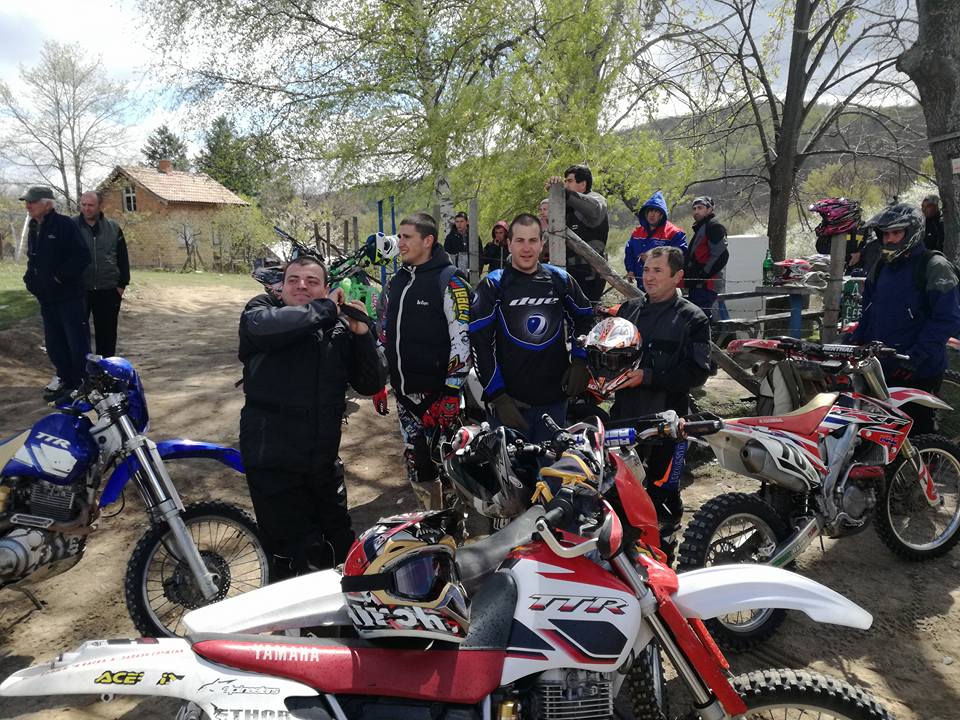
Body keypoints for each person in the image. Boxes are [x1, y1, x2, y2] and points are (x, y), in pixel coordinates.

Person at [238, 255, 384, 580]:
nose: (301, 286)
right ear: (280, 287)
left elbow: (371, 382)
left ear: (326, 287)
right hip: (273, 462)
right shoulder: (261, 311)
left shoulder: (337, 328)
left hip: (322, 463)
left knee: (341, 548)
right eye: (293, 280)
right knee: (292, 558)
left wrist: (362, 334)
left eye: (312, 281)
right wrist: (327, 308)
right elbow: (267, 327)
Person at [610, 246, 711, 561]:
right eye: (646, 270)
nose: (649, 277)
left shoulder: (693, 318)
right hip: (624, 421)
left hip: (669, 427)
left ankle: (662, 560)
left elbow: (698, 373)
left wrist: (648, 376)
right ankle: (625, 563)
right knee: (619, 496)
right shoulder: (628, 310)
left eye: (657, 271)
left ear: (677, 276)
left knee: (662, 498)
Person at [469, 213, 594, 442]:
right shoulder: (494, 284)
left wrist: (580, 360)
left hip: (554, 401)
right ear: (509, 244)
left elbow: (585, 318)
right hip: (510, 404)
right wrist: (498, 396)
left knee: (552, 465)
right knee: (510, 466)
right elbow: (479, 343)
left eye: (532, 240)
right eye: (520, 240)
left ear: (541, 243)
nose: (526, 248)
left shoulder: (560, 279)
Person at [384, 212, 471, 509]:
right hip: (404, 397)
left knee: (448, 469)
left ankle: (454, 527)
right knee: (416, 465)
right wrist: (381, 380)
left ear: (428, 240)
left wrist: (451, 392)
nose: (400, 242)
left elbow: (462, 341)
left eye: (407, 237)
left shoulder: (450, 281)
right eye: (400, 236)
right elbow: (388, 335)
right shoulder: (398, 281)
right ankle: (429, 522)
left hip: (439, 399)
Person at [850, 203, 960, 434]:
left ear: (912, 232)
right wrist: (854, 341)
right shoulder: (881, 266)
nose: (889, 239)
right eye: (885, 234)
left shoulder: (934, 266)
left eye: (896, 233)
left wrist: (916, 356)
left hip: (919, 369)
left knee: (917, 436)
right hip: (881, 368)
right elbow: (869, 311)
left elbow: (947, 319)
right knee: (877, 436)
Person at [20, 186, 91, 403]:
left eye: (32, 202)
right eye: (27, 202)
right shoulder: (34, 227)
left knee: (76, 343)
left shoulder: (64, 225)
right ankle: (66, 381)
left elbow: (82, 256)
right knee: (54, 344)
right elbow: (33, 259)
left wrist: (59, 277)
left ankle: (83, 383)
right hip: (47, 299)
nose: (28, 206)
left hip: (69, 297)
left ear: (47, 204)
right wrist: (30, 280)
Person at [76, 191, 130, 358]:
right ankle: (81, 368)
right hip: (79, 290)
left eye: (91, 205)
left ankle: (106, 368)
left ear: (100, 206)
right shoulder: (71, 226)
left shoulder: (113, 228)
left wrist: (121, 284)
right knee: (77, 333)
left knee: (107, 334)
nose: (86, 209)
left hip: (108, 289)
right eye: (83, 205)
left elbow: (122, 257)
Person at [545, 165, 609, 302]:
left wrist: (565, 193)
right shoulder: (566, 207)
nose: (566, 185)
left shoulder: (597, 200)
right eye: (564, 182)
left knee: (586, 311)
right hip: (566, 272)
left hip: (590, 275)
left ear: (583, 184)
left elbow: (594, 209)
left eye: (569, 181)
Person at [625, 191, 687, 290]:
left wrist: (654, 258)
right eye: (650, 210)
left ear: (662, 214)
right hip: (641, 283)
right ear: (645, 213)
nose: (652, 214)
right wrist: (630, 270)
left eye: (656, 211)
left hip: (664, 286)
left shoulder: (674, 233)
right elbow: (629, 252)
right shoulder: (637, 232)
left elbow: (679, 257)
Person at [684, 196, 728, 319]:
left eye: (700, 208)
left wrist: (703, 275)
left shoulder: (713, 227)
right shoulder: (702, 227)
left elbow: (721, 255)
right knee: (698, 318)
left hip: (706, 285)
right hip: (698, 285)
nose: (696, 211)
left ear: (709, 209)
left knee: (702, 318)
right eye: (694, 209)